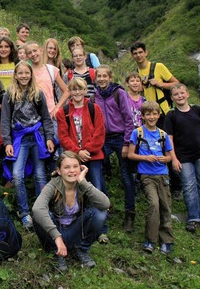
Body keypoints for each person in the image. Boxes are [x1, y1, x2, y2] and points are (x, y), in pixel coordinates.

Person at [32, 152, 110, 272]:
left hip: (75, 232)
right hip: (56, 233)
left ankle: (81, 249)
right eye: (67, 167)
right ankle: (56, 253)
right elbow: (37, 208)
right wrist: (57, 237)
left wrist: (83, 182)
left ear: (81, 168)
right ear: (59, 171)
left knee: (100, 213)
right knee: (40, 215)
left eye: (75, 166)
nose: (72, 170)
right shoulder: (53, 185)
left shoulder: (82, 185)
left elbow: (105, 204)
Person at [0, 61, 55, 230]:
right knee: (17, 175)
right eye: (20, 73)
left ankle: (41, 211)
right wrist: (7, 142)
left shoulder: (38, 93)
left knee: (40, 175)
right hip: (19, 138)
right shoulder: (9, 94)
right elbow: (5, 120)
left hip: (37, 136)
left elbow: (46, 117)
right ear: (15, 75)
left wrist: (49, 138)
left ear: (31, 74)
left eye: (27, 73)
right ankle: (24, 212)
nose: (24, 76)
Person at [130, 41, 181, 198]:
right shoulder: (136, 73)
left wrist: (159, 83)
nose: (138, 55)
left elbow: (176, 83)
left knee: (167, 146)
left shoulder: (158, 67)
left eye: (140, 52)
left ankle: (176, 185)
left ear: (146, 52)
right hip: (147, 116)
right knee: (146, 146)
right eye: (135, 53)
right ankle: (147, 182)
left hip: (163, 113)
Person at [128, 101, 176, 255]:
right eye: (148, 114)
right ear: (142, 116)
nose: (151, 117)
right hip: (147, 176)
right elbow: (130, 154)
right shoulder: (137, 133)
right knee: (153, 205)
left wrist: (165, 159)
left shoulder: (163, 134)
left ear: (158, 115)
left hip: (162, 175)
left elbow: (169, 156)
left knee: (165, 207)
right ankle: (150, 240)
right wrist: (145, 158)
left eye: (154, 114)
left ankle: (166, 240)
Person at [164, 84, 200, 233]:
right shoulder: (171, 115)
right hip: (183, 157)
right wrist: (173, 158)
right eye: (176, 94)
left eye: (182, 93)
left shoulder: (197, 110)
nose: (179, 96)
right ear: (172, 98)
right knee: (188, 186)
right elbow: (169, 138)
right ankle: (193, 218)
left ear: (187, 94)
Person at [94, 65, 135, 236]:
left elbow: (129, 119)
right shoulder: (94, 96)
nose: (102, 79)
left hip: (120, 138)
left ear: (110, 77)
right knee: (98, 172)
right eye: (99, 76)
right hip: (103, 139)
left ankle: (130, 213)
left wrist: (126, 143)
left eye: (105, 76)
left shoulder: (119, 93)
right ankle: (106, 205)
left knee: (127, 176)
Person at [56, 77, 106, 201]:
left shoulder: (94, 108)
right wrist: (78, 152)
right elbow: (63, 136)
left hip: (93, 156)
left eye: (80, 89)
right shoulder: (63, 112)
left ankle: (101, 213)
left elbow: (99, 133)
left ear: (85, 91)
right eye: (74, 90)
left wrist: (87, 150)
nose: (77, 92)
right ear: (70, 92)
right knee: (76, 190)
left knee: (96, 187)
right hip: (74, 158)